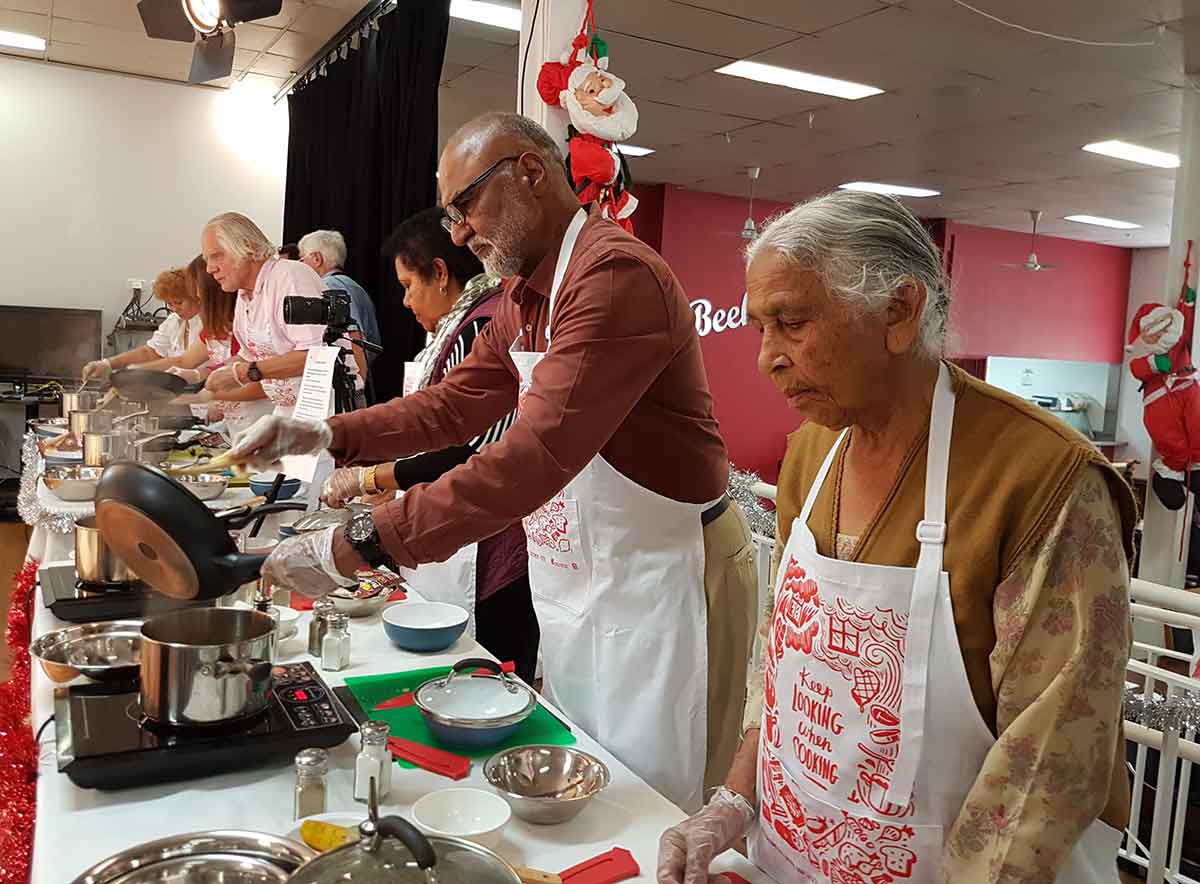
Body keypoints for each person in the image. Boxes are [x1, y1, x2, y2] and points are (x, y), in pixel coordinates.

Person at [227, 111, 758, 812]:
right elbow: (452, 407)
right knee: (593, 777)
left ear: (530, 174)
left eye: (464, 206)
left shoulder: (611, 278)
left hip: (671, 576)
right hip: (593, 579)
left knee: (661, 797)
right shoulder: (523, 294)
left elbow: (532, 458)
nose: (457, 232)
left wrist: (358, 542)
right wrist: (321, 436)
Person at [656, 191, 1135, 884]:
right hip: (789, 857)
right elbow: (785, 657)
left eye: (791, 323)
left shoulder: (1042, 480)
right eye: (760, 327)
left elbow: (1052, 760)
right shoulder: (811, 454)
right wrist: (732, 801)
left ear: (900, 312)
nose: (767, 360)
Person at [319, 207, 538, 682]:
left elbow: (466, 444)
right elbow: (436, 418)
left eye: (407, 285)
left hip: (488, 536)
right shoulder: (462, 326)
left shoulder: (480, 325)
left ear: (440, 274)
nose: (403, 301)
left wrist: (373, 473)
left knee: (489, 661)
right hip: (463, 512)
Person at [201, 213, 329, 415]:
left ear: (247, 247)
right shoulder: (244, 294)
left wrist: (243, 373)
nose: (210, 269)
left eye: (217, 256)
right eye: (207, 259)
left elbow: (316, 355)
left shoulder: (290, 276)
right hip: (286, 408)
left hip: (322, 408)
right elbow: (249, 355)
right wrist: (199, 376)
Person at [159, 255, 274, 438]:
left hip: (260, 421)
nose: (198, 303)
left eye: (198, 297)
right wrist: (198, 374)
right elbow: (234, 363)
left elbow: (263, 385)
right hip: (239, 424)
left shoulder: (246, 323)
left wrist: (209, 396)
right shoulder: (223, 323)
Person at [80, 266, 202, 382]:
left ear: (196, 297)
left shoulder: (207, 324)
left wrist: (138, 371)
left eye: (179, 302)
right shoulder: (174, 321)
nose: (175, 309)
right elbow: (150, 352)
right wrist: (108, 363)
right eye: (170, 304)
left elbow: (184, 362)